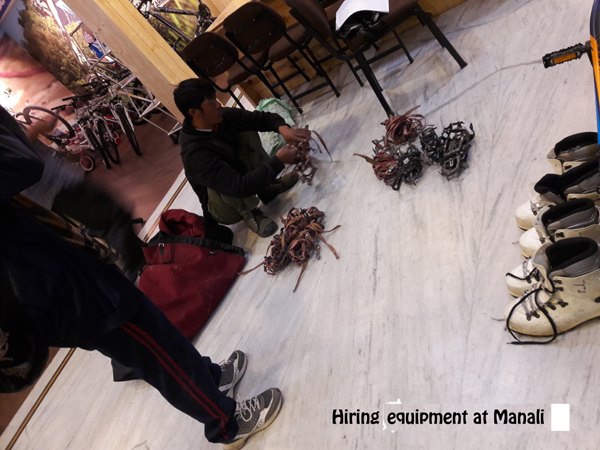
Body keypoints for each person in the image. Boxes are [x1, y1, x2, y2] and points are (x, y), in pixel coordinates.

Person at [0, 107, 283, 450]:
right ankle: (226, 423)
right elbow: (23, 165)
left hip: (68, 268)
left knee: (155, 328)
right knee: (153, 352)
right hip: (62, 289)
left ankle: (210, 377)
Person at [174, 78, 311, 237]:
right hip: (224, 207)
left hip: (238, 183)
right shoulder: (195, 153)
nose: (218, 105)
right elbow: (238, 186)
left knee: (246, 128)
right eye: (211, 103)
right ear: (194, 112)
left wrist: (284, 129)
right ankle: (249, 212)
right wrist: (278, 161)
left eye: (216, 99)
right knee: (222, 177)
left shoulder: (222, 117)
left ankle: (266, 188)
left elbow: (260, 119)